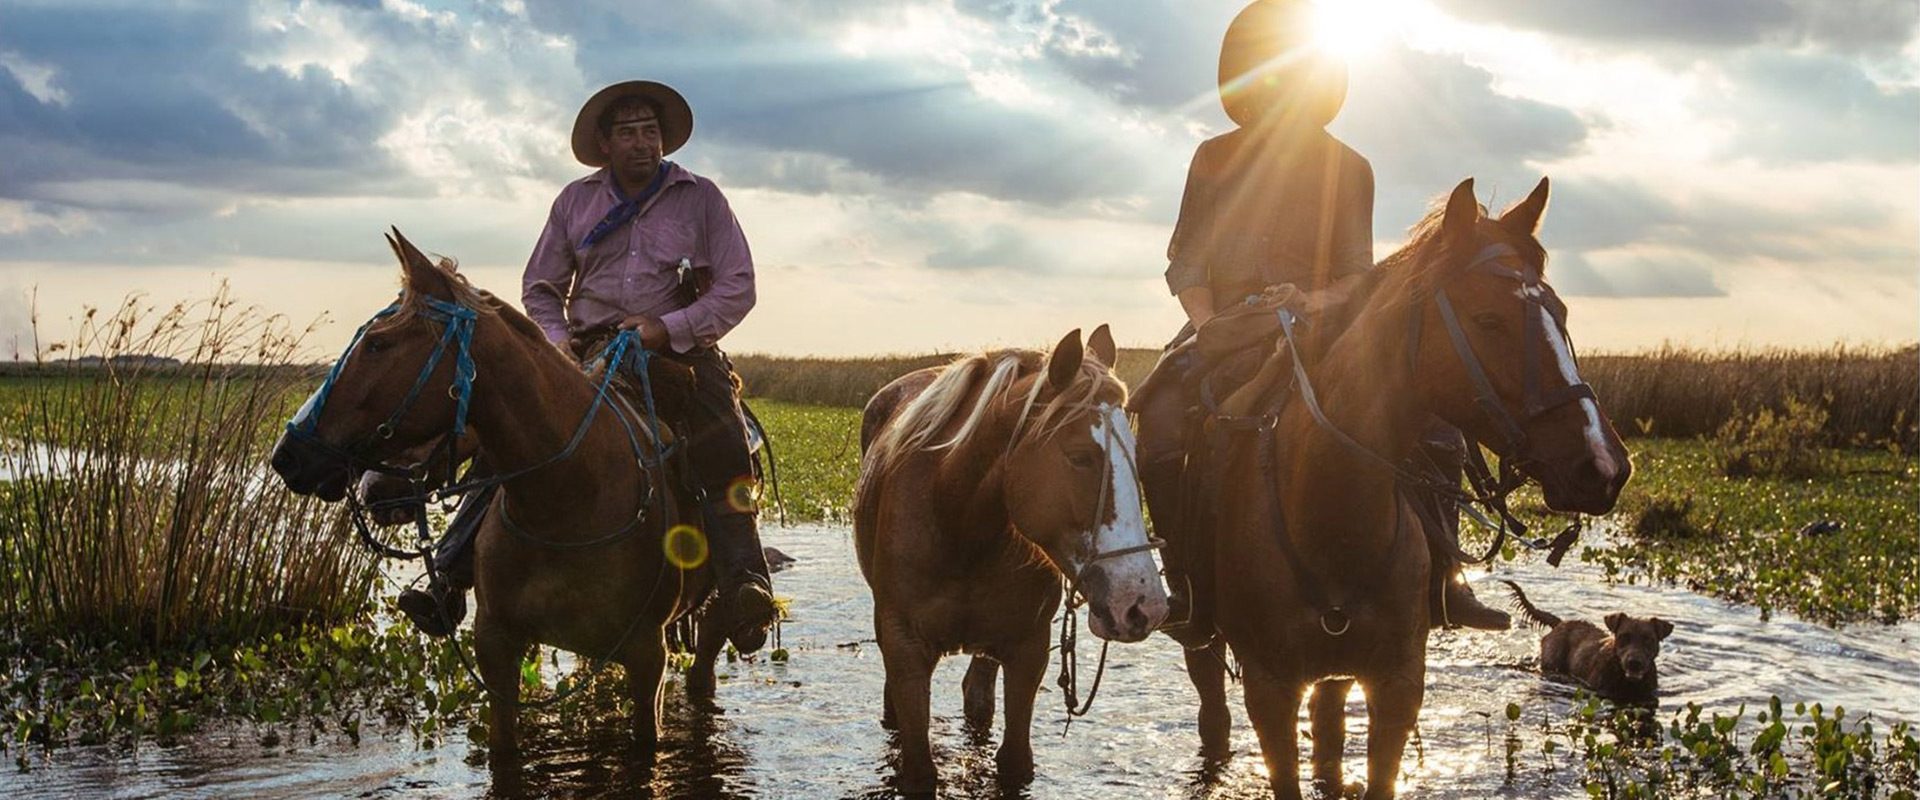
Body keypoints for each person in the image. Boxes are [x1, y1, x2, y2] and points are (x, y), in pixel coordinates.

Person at [1136, 0, 1509, 650]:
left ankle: (1445, 580)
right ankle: (1188, 586)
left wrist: (1309, 303)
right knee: (1162, 415)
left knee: (1434, 420)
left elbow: (1354, 277)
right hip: (1222, 323)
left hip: (1318, 326)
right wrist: (1208, 322)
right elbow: (1185, 261)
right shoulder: (1211, 159)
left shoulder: (1351, 168)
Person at [399, 80, 778, 654]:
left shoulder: (701, 198)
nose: (642, 143)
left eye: (650, 131)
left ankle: (745, 585)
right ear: (605, 143)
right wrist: (557, 344)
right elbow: (542, 286)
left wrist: (664, 328)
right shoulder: (575, 202)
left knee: (724, 441)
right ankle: (449, 574)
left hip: (680, 354)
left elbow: (737, 287)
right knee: (514, 437)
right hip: (588, 352)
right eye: (627, 132)